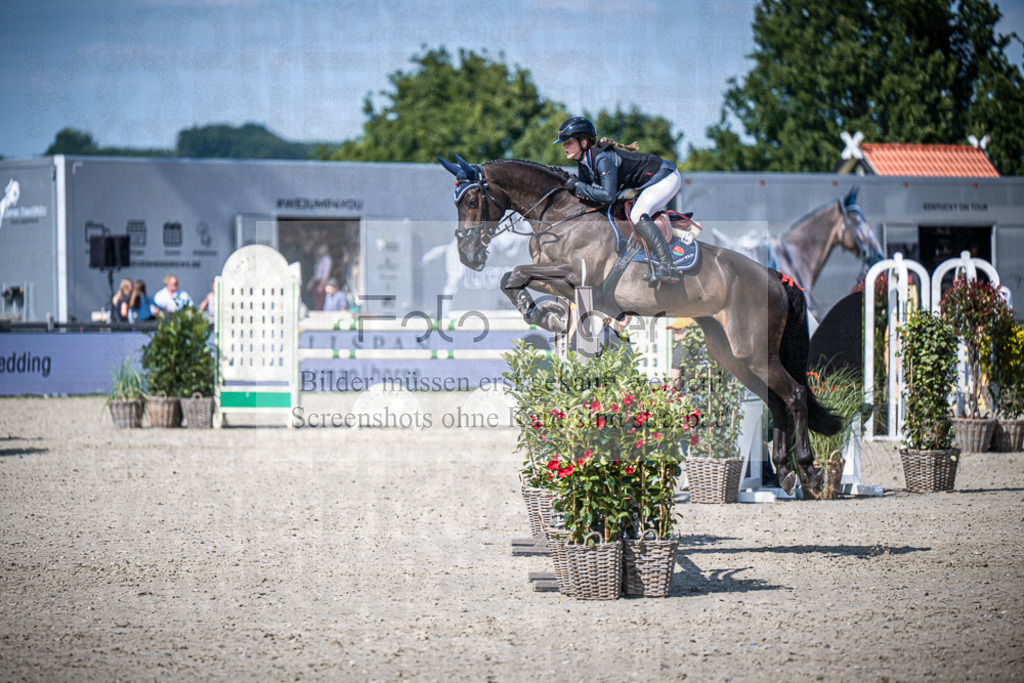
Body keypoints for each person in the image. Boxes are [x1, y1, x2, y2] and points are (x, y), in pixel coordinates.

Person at [554, 116, 685, 283]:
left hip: (665, 177)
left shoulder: (602, 159)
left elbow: (607, 196)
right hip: (643, 183)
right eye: (564, 143)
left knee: (638, 214)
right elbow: (591, 197)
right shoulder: (583, 162)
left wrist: (579, 187)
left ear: (584, 143)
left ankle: (668, 266)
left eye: (568, 142)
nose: (564, 146)